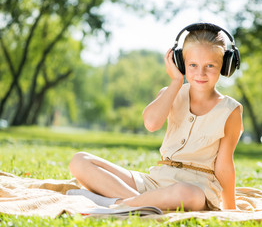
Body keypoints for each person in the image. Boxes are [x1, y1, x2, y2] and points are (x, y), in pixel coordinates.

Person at [67, 23, 243, 211]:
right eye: (192, 65)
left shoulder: (230, 110)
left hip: (196, 189)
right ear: (180, 63)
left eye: (210, 65)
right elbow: (151, 123)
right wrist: (176, 81)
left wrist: (231, 208)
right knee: (80, 161)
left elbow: (224, 165)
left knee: (186, 193)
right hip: (155, 180)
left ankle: (117, 203)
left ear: (226, 66)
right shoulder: (171, 93)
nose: (201, 73)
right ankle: (135, 203)